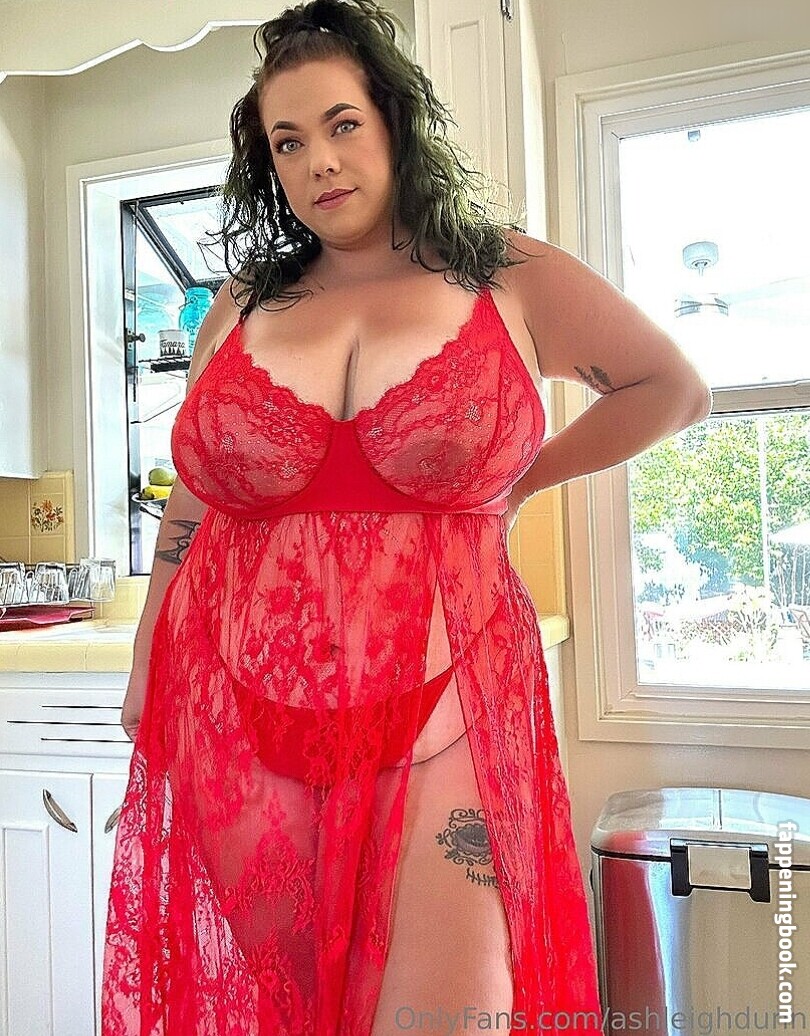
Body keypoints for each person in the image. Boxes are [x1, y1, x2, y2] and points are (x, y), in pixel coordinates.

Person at [101, 1, 712, 1034]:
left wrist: (522, 483)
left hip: (446, 707)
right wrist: (145, 663)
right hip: (244, 714)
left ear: (392, 121)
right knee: (292, 1011)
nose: (319, 162)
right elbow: (197, 497)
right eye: (288, 141)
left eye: (342, 124)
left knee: (454, 1012)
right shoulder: (241, 303)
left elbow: (672, 388)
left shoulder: (505, 273)